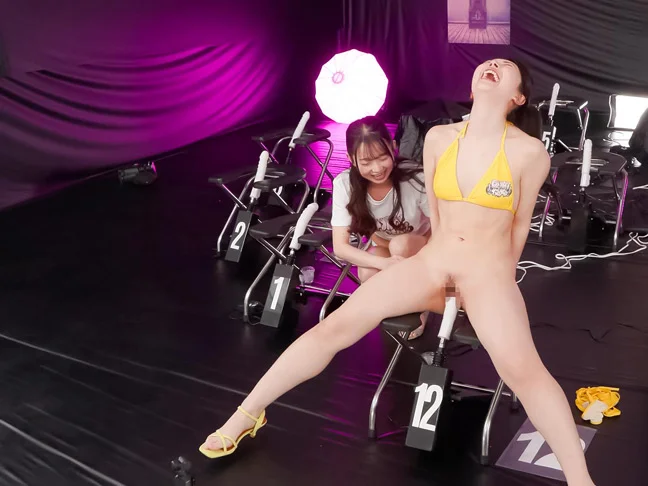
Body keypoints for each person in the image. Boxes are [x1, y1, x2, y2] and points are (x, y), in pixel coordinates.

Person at [199, 59, 595, 486]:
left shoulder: (528, 152)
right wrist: (437, 264)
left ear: (517, 96)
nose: (494, 63)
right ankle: (247, 414)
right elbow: (438, 217)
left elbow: (519, 227)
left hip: (487, 275)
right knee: (333, 327)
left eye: (506, 66)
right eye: (489, 62)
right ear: (472, 85)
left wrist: (499, 280)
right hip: (432, 265)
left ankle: (580, 480)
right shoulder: (440, 138)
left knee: (524, 372)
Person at [330, 116, 432, 339]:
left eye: (382, 158)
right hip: (383, 245)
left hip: (421, 243)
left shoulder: (416, 177)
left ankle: (421, 304)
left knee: (400, 245)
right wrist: (383, 264)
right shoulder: (344, 184)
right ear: (351, 159)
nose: (377, 169)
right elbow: (340, 247)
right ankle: (400, 305)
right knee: (368, 272)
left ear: (393, 147)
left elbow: (443, 227)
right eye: (366, 162)